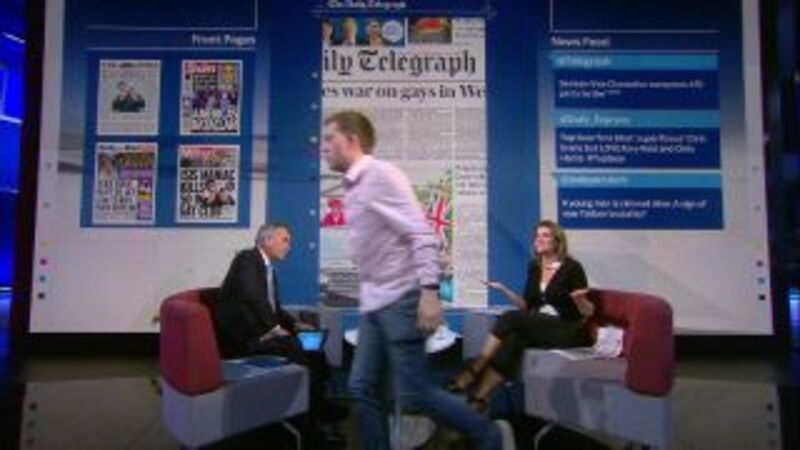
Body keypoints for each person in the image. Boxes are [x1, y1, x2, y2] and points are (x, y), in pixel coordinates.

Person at [321, 110, 515, 450]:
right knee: (362, 387)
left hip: (401, 298)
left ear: (351, 140)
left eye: (329, 138)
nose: (323, 146)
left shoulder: (381, 175)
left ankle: (489, 435)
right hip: (375, 304)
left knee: (414, 394)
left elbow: (422, 235)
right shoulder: (353, 186)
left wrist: (429, 291)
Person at [447, 220, 595, 412]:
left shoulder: (572, 267)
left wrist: (580, 300)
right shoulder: (535, 266)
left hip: (567, 329)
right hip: (541, 327)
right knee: (514, 340)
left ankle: (475, 368)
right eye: (537, 235)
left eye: (545, 235)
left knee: (510, 317)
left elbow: (588, 312)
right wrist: (503, 289)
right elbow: (527, 306)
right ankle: (479, 399)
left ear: (558, 241)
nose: (539, 239)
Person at [213, 223, 340, 443]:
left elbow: (276, 309)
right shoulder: (247, 259)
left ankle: (319, 405)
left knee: (313, 344)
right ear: (266, 240)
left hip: (263, 333)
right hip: (247, 340)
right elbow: (252, 295)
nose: (289, 246)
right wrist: (274, 329)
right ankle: (309, 426)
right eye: (285, 240)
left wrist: (295, 325)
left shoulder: (268, 269)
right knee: (299, 349)